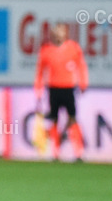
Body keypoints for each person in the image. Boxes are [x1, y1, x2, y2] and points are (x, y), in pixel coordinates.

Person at [34, 23, 88, 162]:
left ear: (65, 34)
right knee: (54, 120)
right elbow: (40, 72)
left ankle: (78, 152)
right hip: (53, 88)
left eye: (60, 33)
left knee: (72, 119)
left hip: (68, 88)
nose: (58, 36)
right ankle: (55, 152)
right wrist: (38, 89)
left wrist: (83, 82)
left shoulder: (73, 48)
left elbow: (81, 66)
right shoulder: (46, 50)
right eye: (55, 33)